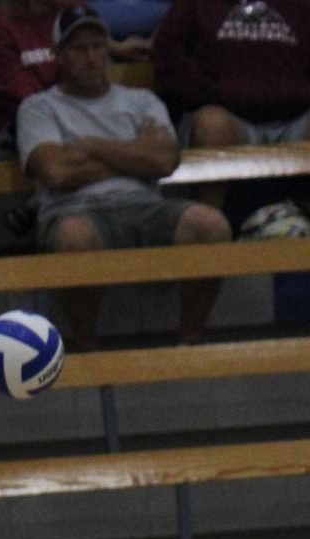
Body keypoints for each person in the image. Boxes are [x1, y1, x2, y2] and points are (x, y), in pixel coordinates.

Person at [16, 5, 233, 349]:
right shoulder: (38, 107)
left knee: (212, 225)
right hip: (74, 209)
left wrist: (89, 146)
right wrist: (133, 152)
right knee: (74, 236)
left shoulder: (141, 100)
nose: (91, 57)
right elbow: (55, 172)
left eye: (98, 46)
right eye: (78, 49)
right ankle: (89, 347)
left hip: (144, 204)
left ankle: (190, 339)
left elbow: (164, 159)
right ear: (58, 55)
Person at [150, 0, 310, 211]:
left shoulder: (296, 6)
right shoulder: (196, 5)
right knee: (212, 126)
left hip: (295, 116)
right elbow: (166, 53)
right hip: (231, 117)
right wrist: (211, 92)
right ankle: (210, 232)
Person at [0, 0, 158, 163]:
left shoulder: (74, 13)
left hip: (80, 117)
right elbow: (25, 96)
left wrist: (116, 48)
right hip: (15, 124)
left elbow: (94, 70)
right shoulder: (0, 28)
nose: (91, 55)